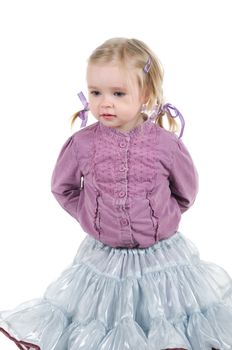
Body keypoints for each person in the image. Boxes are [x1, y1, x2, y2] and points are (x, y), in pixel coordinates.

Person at [0, 37, 231, 350]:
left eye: (118, 93)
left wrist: (164, 217)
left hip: (161, 254)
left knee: (161, 309)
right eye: (96, 92)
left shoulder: (166, 145)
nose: (104, 102)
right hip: (104, 257)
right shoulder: (81, 145)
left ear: (145, 94)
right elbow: (62, 187)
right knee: (106, 316)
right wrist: (89, 215)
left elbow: (186, 192)